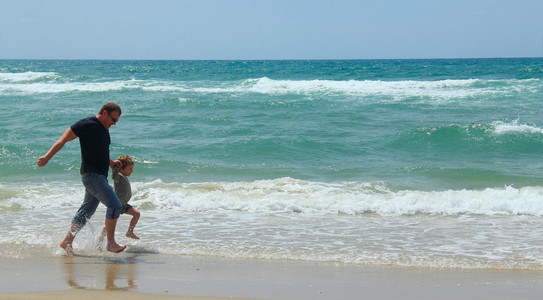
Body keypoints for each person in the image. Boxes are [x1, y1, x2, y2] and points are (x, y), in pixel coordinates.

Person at [37, 102, 126, 254]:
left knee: (86, 212)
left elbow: (99, 150)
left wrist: (111, 162)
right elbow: (62, 140)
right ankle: (110, 243)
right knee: (115, 205)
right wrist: (47, 157)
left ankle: (67, 242)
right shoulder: (87, 124)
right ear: (105, 113)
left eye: (117, 121)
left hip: (98, 177)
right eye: (113, 119)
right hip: (92, 177)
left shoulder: (104, 129)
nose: (115, 123)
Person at [99, 155, 140, 242]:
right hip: (117, 204)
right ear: (121, 168)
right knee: (109, 225)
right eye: (130, 169)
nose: (131, 171)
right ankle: (100, 239)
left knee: (137, 214)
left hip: (123, 204)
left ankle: (130, 232)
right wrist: (115, 167)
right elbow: (114, 176)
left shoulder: (124, 176)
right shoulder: (119, 176)